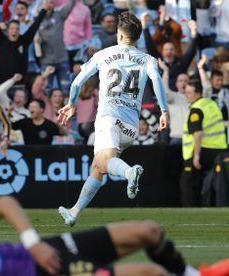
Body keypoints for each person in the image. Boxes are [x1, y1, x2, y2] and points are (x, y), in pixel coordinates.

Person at [0, 196, 229, 276]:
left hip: (47, 249)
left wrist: (33, 243)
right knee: (151, 273)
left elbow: (3, 204)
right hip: (54, 272)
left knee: (148, 230)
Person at [57, 11, 169, 226]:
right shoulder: (148, 59)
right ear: (137, 37)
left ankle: (129, 172)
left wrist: (71, 104)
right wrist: (163, 111)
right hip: (131, 127)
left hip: (108, 118)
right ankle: (74, 212)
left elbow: (76, 84)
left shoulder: (102, 55)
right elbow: (157, 83)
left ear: (119, 35)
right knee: (98, 167)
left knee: (104, 161)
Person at [180, 80, 227, 207]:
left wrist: (196, 156)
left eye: (189, 93)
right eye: (186, 92)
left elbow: (198, 134)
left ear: (198, 93)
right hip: (218, 150)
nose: (187, 95)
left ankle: (190, 213)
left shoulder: (196, 109)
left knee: (188, 183)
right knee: (210, 183)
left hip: (200, 150)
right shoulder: (211, 104)